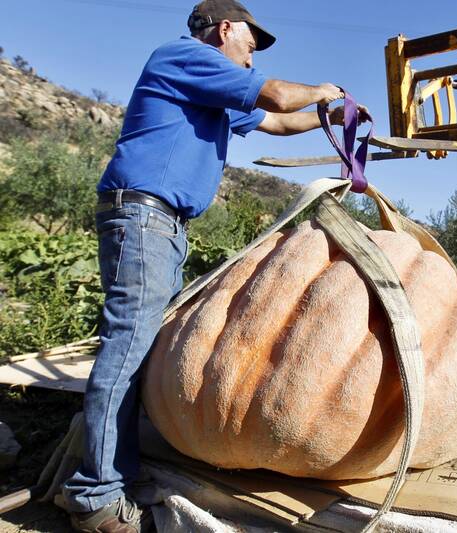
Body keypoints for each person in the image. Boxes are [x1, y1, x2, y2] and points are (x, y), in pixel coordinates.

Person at [61, 1, 367, 531]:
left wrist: (330, 117)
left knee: (138, 348)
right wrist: (327, 90)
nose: (252, 56)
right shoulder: (185, 57)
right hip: (144, 217)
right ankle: (95, 497)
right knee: (128, 348)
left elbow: (274, 119)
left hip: (162, 225)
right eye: (250, 44)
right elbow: (274, 94)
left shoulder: (213, 87)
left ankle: (114, 475)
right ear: (225, 30)